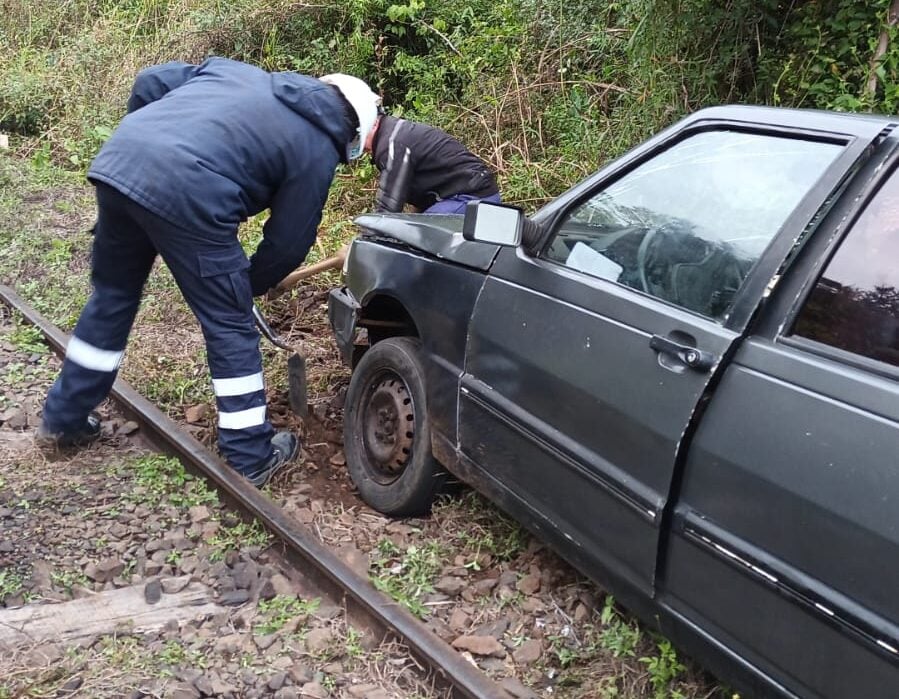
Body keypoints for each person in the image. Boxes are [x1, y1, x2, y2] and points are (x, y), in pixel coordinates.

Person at [36, 58, 380, 487]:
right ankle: (250, 454)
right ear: (351, 129)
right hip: (190, 194)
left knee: (112, 296)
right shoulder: (317, 149)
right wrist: (247, 288)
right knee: (230, 325)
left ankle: (63, 420)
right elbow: (289, 242)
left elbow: (149, 81)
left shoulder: (235, 73)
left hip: (121, 164)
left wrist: (146, 145)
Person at [365, 110, 500, 214]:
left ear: (373, 123)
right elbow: (419, 195)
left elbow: (387, 208)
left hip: (473, 197)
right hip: (467, 195)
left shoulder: (392, 143)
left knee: (420, 238)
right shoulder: (395, 133)